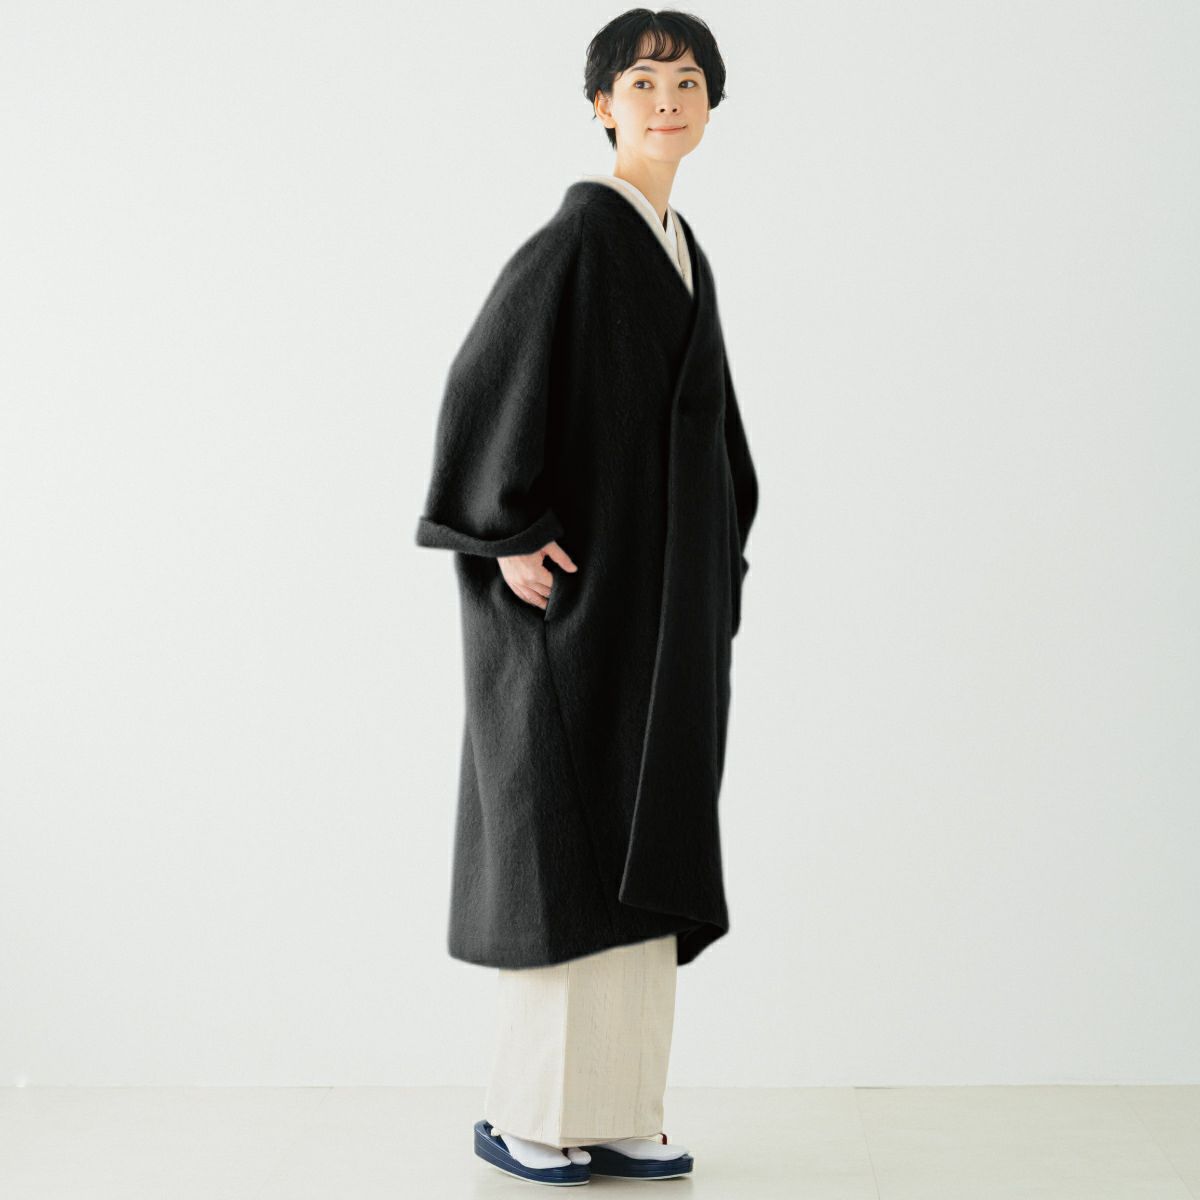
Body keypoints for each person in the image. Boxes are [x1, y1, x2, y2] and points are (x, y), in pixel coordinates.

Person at [415, 8, 758, 1185]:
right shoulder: (576, 240)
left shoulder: (679, 249)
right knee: (564, 855)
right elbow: (486, 378)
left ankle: (615, 1109)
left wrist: (718, 564)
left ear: (712, 106)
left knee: (645, 838)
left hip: (660, 614)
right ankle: (527, 1114)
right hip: (578, 610)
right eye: (643, 82)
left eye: (688, 82)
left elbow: (714, 437)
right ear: (602, 106)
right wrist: (505, 531)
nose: (668, 100)